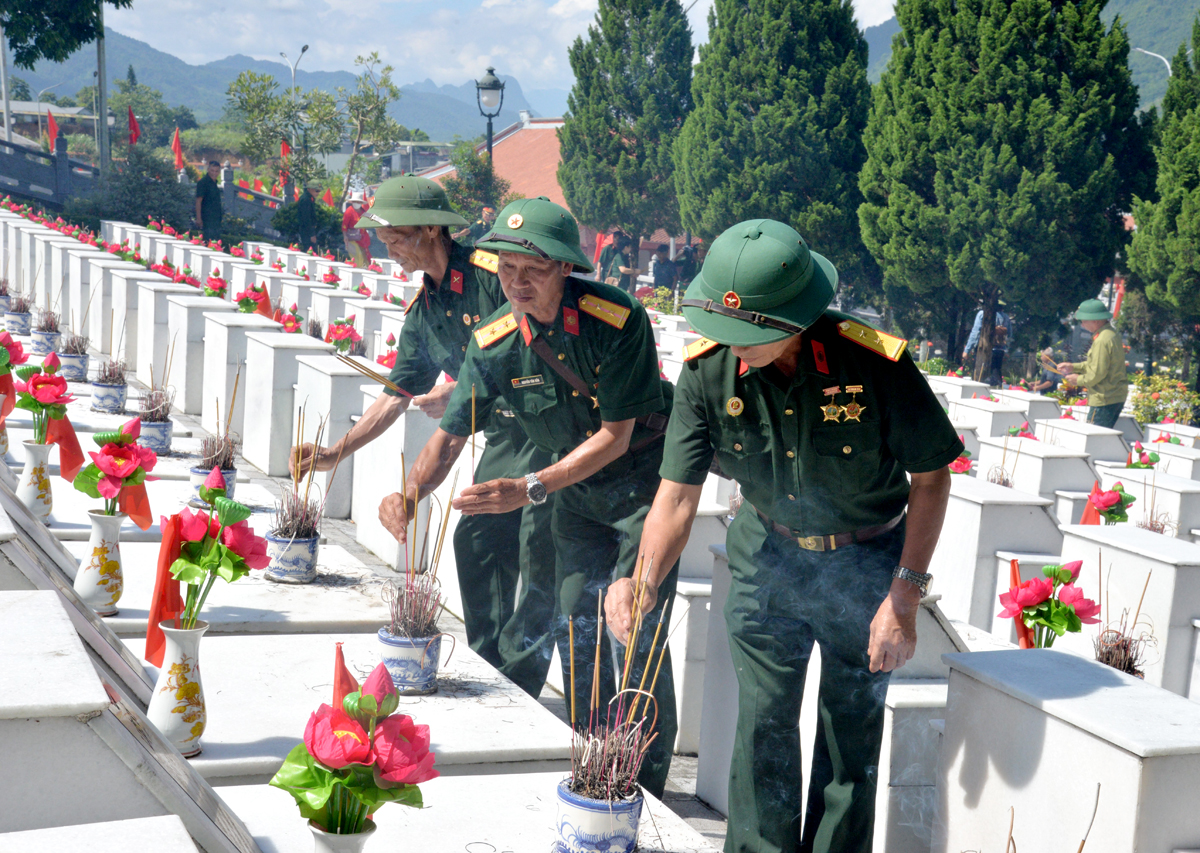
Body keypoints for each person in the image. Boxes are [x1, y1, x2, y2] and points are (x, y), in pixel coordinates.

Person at [606, 219, 960, 853]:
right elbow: (678, 493)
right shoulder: (708, 368)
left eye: (750, 336)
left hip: (865, 565)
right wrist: (643, 578)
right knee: (763, 729)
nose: (732, 346)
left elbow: (931, 478)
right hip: (765, 563)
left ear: (795, 319)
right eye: (723, 330)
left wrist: (903, 600)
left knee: (848, 737)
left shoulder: (873, 361)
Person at [378, 196, 679, 798]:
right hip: (572, 497)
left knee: (635, 630)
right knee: (576, 623)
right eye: (506, 267)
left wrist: (531, 485)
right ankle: (595, 767)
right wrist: (411, 492)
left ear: (566, 269)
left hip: (641, 492)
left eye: (533, 269)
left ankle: (645, 787)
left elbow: (616, 438)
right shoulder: (493, 342)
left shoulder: (615, 322)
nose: (516, 282)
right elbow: (449, 432)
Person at [289, 175, 556, 699]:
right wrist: (333, 454)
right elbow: (396, 394)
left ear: (433, 228)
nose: (390, 251)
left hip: (550, 425)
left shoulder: (491, 274)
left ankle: (520, 682)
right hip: (505, 435)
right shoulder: (425, 309)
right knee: (477, 540)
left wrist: (460, 390)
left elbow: (529, 342)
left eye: (398, 238)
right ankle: (491, 666)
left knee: (538, 548)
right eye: (385, 241)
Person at [1057, 298, 1127, 429]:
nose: (1082, 324)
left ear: (1095, 320)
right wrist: (1073, 367)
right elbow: (1096, 365)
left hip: (1104, 398)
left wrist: (1078, 380)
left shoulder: (1102, 340)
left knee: (1095, 439)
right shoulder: (1110, 334)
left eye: (1084, 320)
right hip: (1113, 396)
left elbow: (1097, 373)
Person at [963, 302, 1012, 385]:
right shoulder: (1006, 317)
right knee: (996, 375)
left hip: (984, 350)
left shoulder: (982, 314)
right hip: (999, 350)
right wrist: (1006, 349)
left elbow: (975, 333)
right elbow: (1010, 335)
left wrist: (967, 350)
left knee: (979, 376)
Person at [194, 160, 223, 243]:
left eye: (217, 171)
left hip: (216, 219)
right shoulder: (203, 183)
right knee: (208, 242)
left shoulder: (214, 183)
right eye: (212, 170)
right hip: (207, 218)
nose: (214, 173)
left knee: (216, 242)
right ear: (208, 170)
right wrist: (198, 218)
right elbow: (198, 201)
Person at [342, 191, 372, 267]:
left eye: (358, 202)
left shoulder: (363, 211)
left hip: (363, 238)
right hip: (352, 238)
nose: (356, 203)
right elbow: (344, 225)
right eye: (354, 202)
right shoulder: (349, 211)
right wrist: (345, 236)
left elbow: (369, 221)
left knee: (365, 257)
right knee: (357, 257)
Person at [297, 183, 319, 252]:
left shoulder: (309, 198)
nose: (318, 193)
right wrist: (312, 234)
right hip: (307, 232)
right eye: (316, 191)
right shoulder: (306, 200)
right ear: (309, 189)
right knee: (310, 251)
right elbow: (306, 219)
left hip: (307, 231)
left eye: (319, 191)